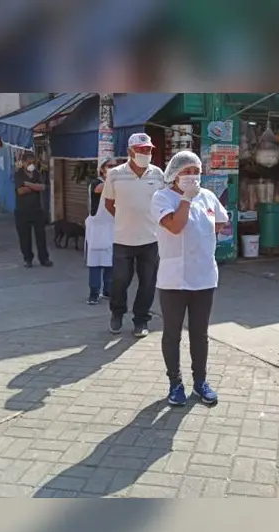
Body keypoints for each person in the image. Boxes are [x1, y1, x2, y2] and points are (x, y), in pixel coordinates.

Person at [150, 150, 229, 407]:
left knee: (200, 333)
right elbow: (175, 226)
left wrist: (201, 244)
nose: (193, 176)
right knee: (172, 334)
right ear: (174, 174)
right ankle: (175, 383)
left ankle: (200, 382)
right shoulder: (161, 197)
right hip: (174, 279)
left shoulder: (207, 196)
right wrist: (185, 199)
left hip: (204, 277)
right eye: (187, 172)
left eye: (197, 171)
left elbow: (220, 222)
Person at [103, 133, 164, 337]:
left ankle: (141, 320)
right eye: (140, 149)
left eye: (148, 149)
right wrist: (124, 218)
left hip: (151, 239)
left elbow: (162, 203)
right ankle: (117, 314)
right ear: (130, 151)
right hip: (123, 239)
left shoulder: (158, 174)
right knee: (120, 280)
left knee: (147, 283)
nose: (145, 153)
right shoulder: (115, 174)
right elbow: (109, 204)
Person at [13, 151, 52, 267]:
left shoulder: (37, 173)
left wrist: (28, 184)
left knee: (41, 236)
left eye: (33, 162)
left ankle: (44, 258)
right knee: (24, 237)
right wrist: (35, 187)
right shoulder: (18, 174)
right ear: (23, 163)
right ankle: (27, 259)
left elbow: (43, 187)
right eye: (29, 162)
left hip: (37, 210)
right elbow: (20, 191)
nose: (32, 165)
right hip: (22, 211)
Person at [85, 157, 115, 303]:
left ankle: (108, 291)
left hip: (110, 228)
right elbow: (99, 190)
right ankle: (94, 294)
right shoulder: (96, 183)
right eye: (109, 166)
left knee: (110, 262)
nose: (112, 168)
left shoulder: (113, 184)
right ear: (102, 169)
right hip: (96, 230)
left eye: (114, 166)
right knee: (95, 263)